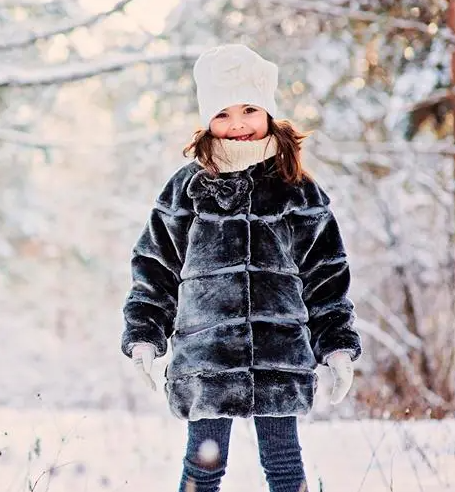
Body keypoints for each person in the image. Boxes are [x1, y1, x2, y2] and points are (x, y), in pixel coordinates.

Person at [120, 44, 362, 492]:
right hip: (208, 358)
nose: (237, 125)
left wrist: (337, 347)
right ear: (206, 120)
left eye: (249, 109)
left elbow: (326, 275)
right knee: (204, 466)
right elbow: (155, 268)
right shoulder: (186, 189)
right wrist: (144, 336)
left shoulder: (297, 190)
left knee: (285, 466)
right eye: (223, 113)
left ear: (269, 112)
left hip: (278, 356)